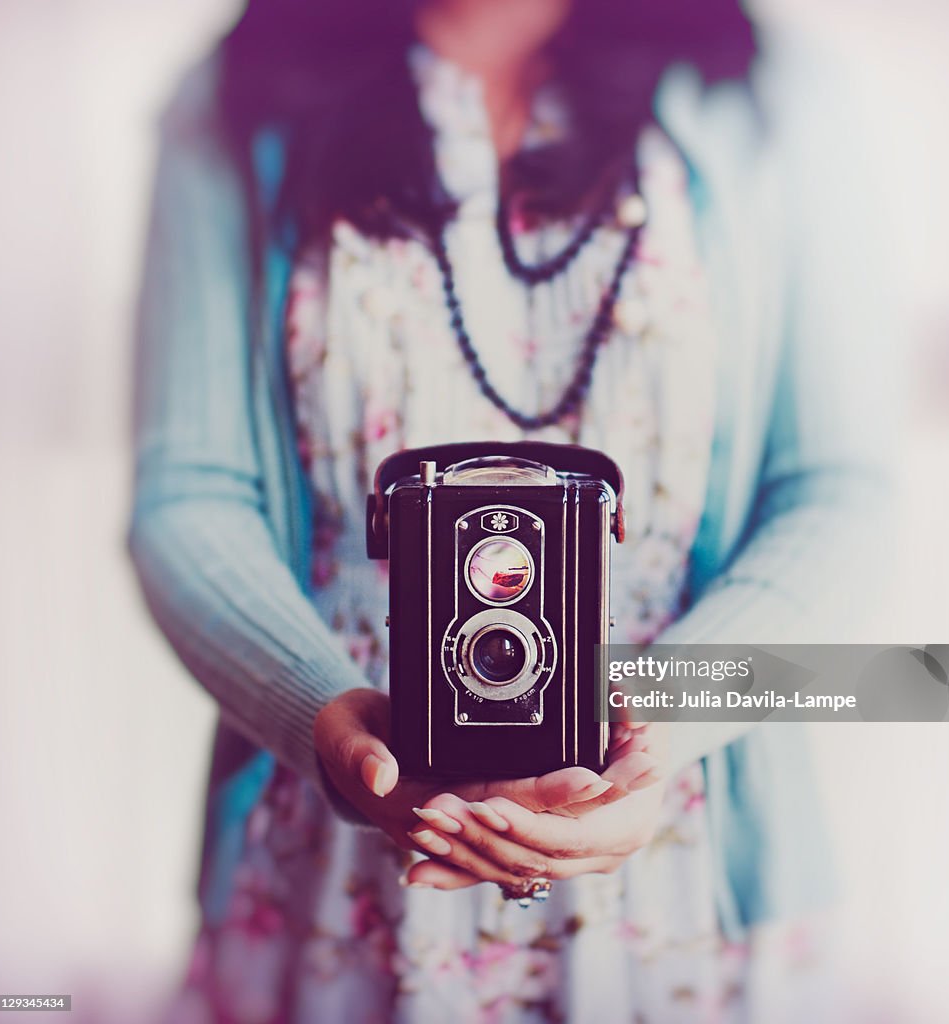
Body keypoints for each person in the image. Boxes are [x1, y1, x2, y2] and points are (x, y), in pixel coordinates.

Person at [130, 0, 884, 1019]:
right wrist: (325, 719)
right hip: (337, 847)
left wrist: (664, 722)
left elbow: (837, 488)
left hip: (681, 843)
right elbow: (190, 492)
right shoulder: (241, 92)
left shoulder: (767, 89)